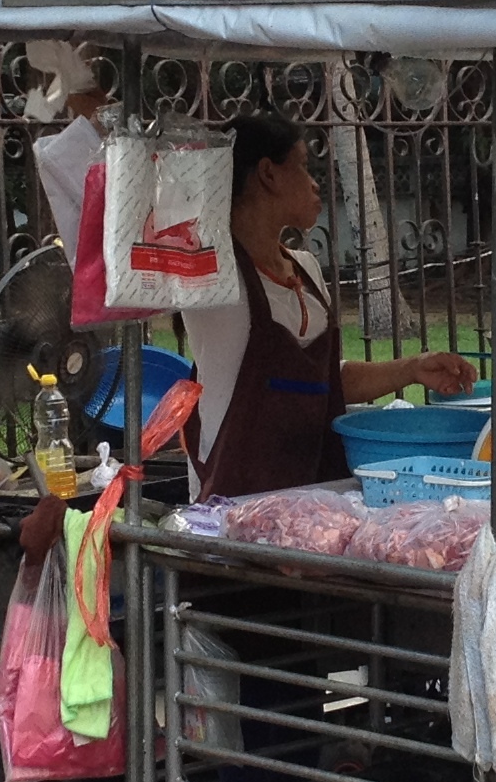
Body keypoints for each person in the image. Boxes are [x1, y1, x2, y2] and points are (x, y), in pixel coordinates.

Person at [187, 116, 472, 497]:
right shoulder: (211, 275)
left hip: (314, 499)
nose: (314, 181)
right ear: (268, 174)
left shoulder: (304, 268)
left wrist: (412, 369)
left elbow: (319, 382)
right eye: (303, 165)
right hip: (234, 502)